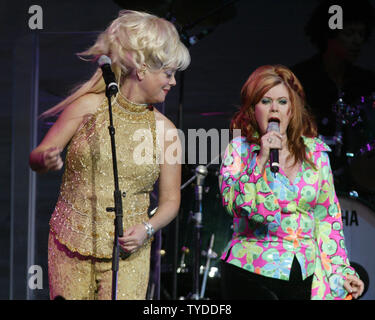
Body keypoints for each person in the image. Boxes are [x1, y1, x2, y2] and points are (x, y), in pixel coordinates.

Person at [29, 10, 190, 300]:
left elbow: (171, 201)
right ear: (142, 69)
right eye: (168, 73)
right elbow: (37, 156)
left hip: (128, 252)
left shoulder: (166, 131)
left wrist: (147, 228)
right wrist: (46, 158)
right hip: (70, 244)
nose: (173, 82)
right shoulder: (88, 108)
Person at [219, 65, 364, 300]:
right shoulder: (238, 150)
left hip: (304, 273)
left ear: (291, 110)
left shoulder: (315, 153)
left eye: (282, 102)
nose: (274, 108)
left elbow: (327, 218)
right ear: (254, 109)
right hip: (250, 271)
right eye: (265, 101)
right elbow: (236, 205)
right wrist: (261, 159)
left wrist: (341, 272)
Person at [290, 0, 375, 178]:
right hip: (306, 177)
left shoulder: (367, 82)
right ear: (330, 34)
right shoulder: (299, 78)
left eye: (361, 34)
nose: (357, 41)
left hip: (357, 179)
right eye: (350, 33)